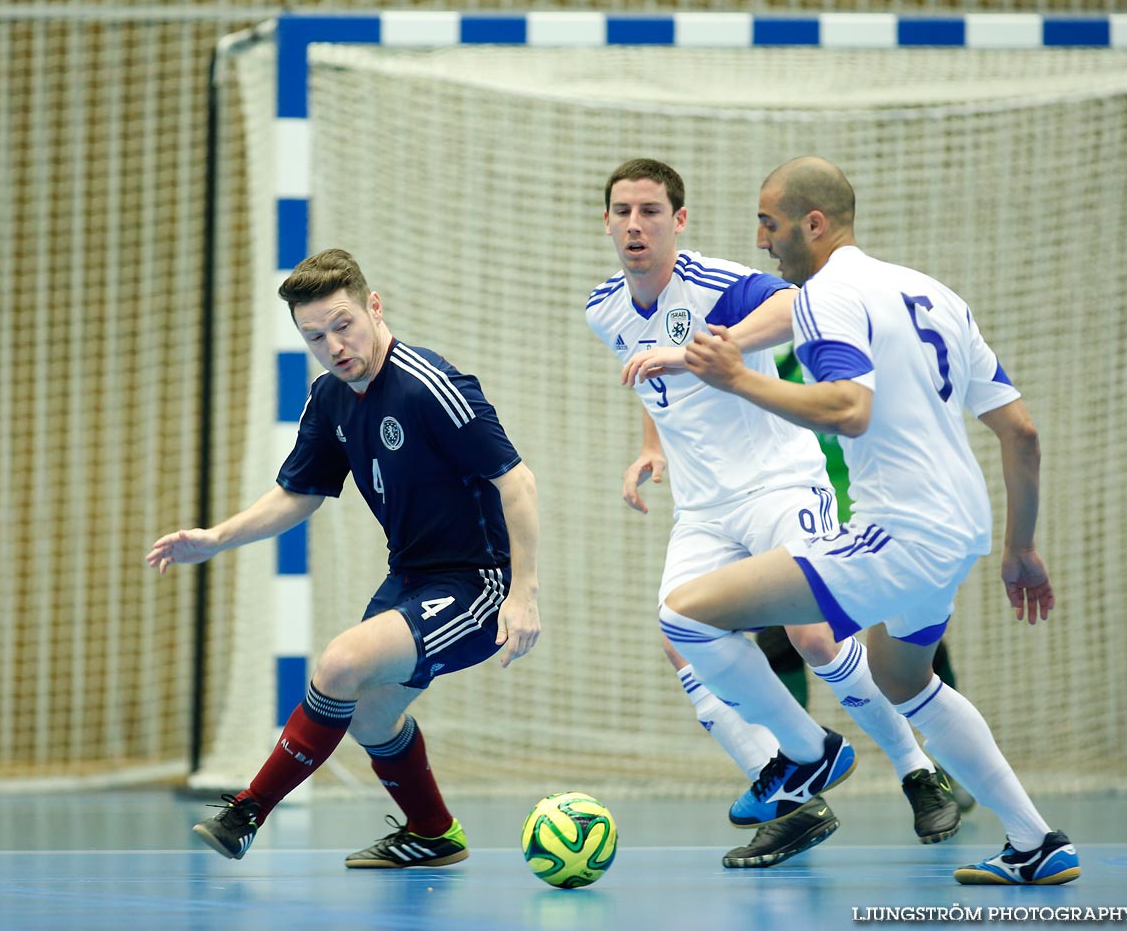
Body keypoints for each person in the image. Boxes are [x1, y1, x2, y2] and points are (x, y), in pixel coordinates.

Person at [662, 155, 1078, 886]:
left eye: (769, 222)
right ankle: (1036, 843)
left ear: (812, 223)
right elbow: (1022, 433)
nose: (762, 240)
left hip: (897, 534)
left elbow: (851, 410)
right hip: (959, 530)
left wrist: (740, 378)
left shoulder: (825, 295)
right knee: (903, 678)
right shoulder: (935, 294)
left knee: (685, 617)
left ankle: (805, 753)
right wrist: (1021, 548)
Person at [587, 158, 959, 870]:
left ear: (680, 221)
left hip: (782, 484)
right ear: (607, 221)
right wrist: (649, 448)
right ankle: (799, 782)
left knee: (814, 636)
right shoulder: (603, 307)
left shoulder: (717, 284)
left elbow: (800, 302)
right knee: (680, 636)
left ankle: (918, 769)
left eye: (651, 211)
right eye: (622, 211)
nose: (635, 225)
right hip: (702, 508)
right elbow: (656, 388)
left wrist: (703, 348)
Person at [147, 248, 541, 868]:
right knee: (368, 715)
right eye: (315, 336)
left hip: (478, 584)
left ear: (374, 307)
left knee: (340, 661)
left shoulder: (430, 387)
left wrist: (523, 596)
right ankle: (435, 833)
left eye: (343, 325)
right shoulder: (330, 398)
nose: (334, 345)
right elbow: (297, 494)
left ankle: (247, 811)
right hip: (410, 578)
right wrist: (216, 538)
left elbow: (516, 482)